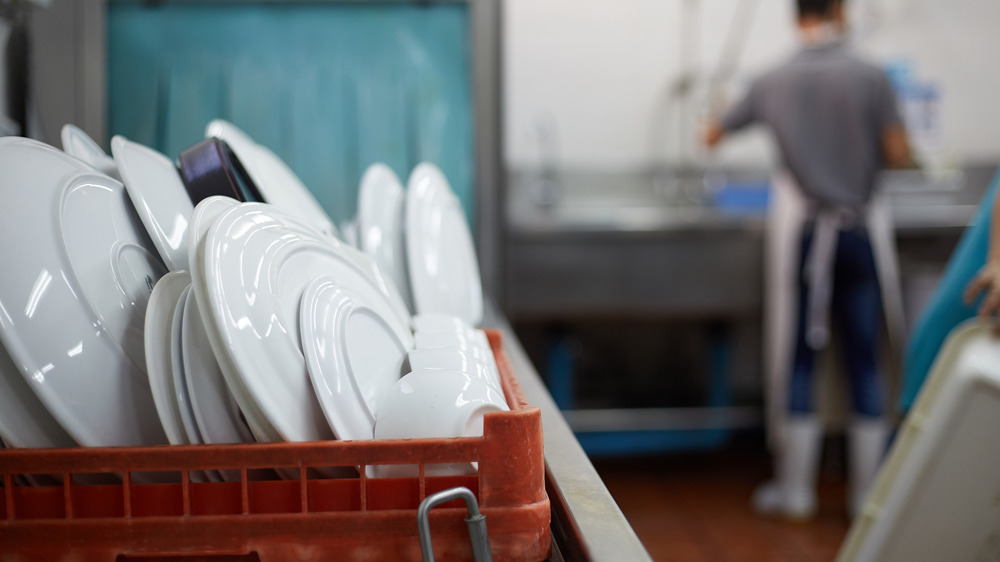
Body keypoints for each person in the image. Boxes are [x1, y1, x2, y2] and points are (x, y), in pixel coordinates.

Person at [703, 0, 912, 520]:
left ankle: (796, 490)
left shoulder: (772, 79)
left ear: (797, 16)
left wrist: (718, 108)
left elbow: (712, 134)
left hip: (809, 237)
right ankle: (867, 495)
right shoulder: (873, 77)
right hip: (859, 233)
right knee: (864, 358)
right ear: (840, 10)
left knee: (801, 356)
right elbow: (899, 153)